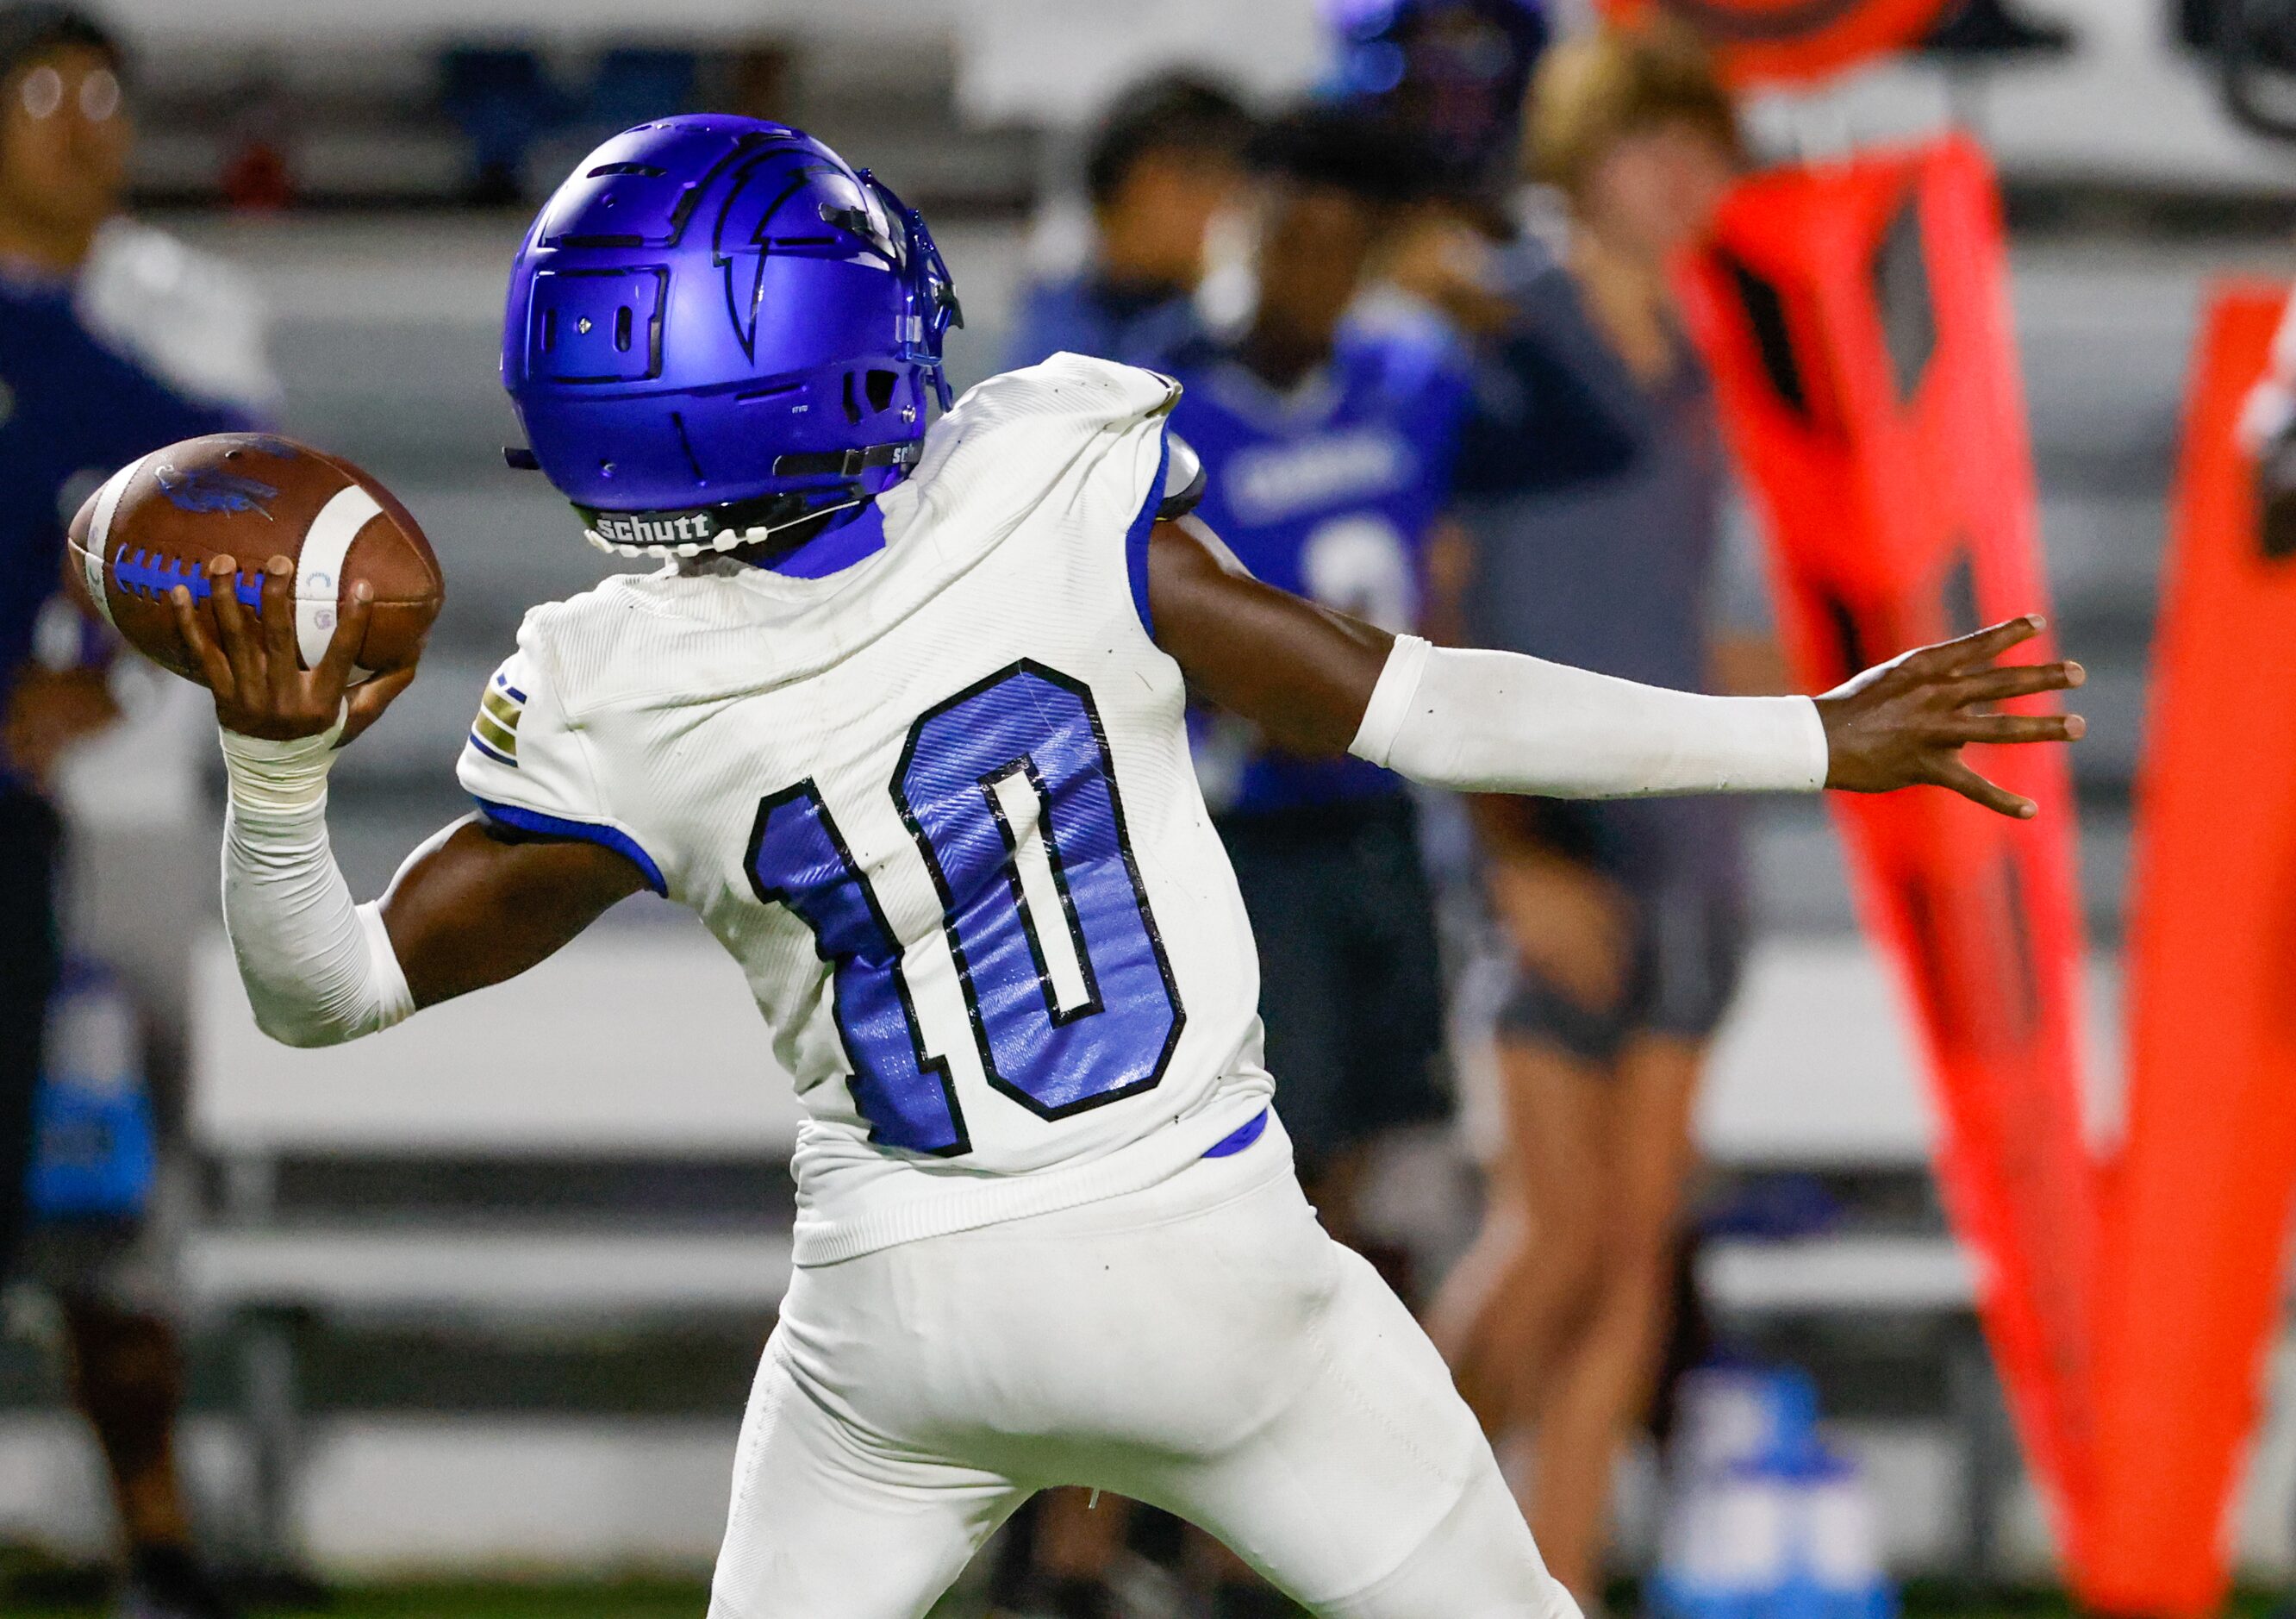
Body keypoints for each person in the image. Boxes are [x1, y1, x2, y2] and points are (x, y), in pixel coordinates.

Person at [178, 114, 2080, 1619]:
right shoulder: (1048, 487)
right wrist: (1813, 734)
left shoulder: (619, 689)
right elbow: (1416, 706)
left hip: (894, 1322)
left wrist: (275, 769)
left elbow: (324, 992)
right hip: (1206, 1262)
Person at [998, 105, 1471, 1619]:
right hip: (1216, 833)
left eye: (1345, 244)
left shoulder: (1412, 376)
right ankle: (1075, 1557)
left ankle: (1221, 1554)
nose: (1314, 269)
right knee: (1177, 1208)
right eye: (1294, 233)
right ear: (1247, 231)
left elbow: (1470, 544)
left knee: (1318, 1210)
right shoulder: (1154, 394)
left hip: (1368, 830)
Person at [1393, 22, 1787, 1601]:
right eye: (1650, 142)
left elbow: (1685, 625)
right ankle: (1350, 1547)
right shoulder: (1496, 327)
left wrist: (1872, 678)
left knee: (1630, 1251)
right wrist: (1504, 850)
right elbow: (1427, 620)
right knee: (1543, 1239)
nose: (1683, 175)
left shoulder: (1697, 356)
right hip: (1543, 832)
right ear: (1577, 153)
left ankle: (1547, 1580)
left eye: (1704, 147)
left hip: (1689, 844)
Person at [0, 8, 273, 1616]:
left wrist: (104, 686)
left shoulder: (193, 313)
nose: (77, 124)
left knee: (122, 1187)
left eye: (104, 93)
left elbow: (237, 544)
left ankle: (153, 1535)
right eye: (41, 92)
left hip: (134, 802)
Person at [1001, 72, 1254, 371]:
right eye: (1195, 176)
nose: (1216, 205)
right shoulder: (1050, 349)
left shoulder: (1218, 345)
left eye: (1229, 182)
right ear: (1120, 187)